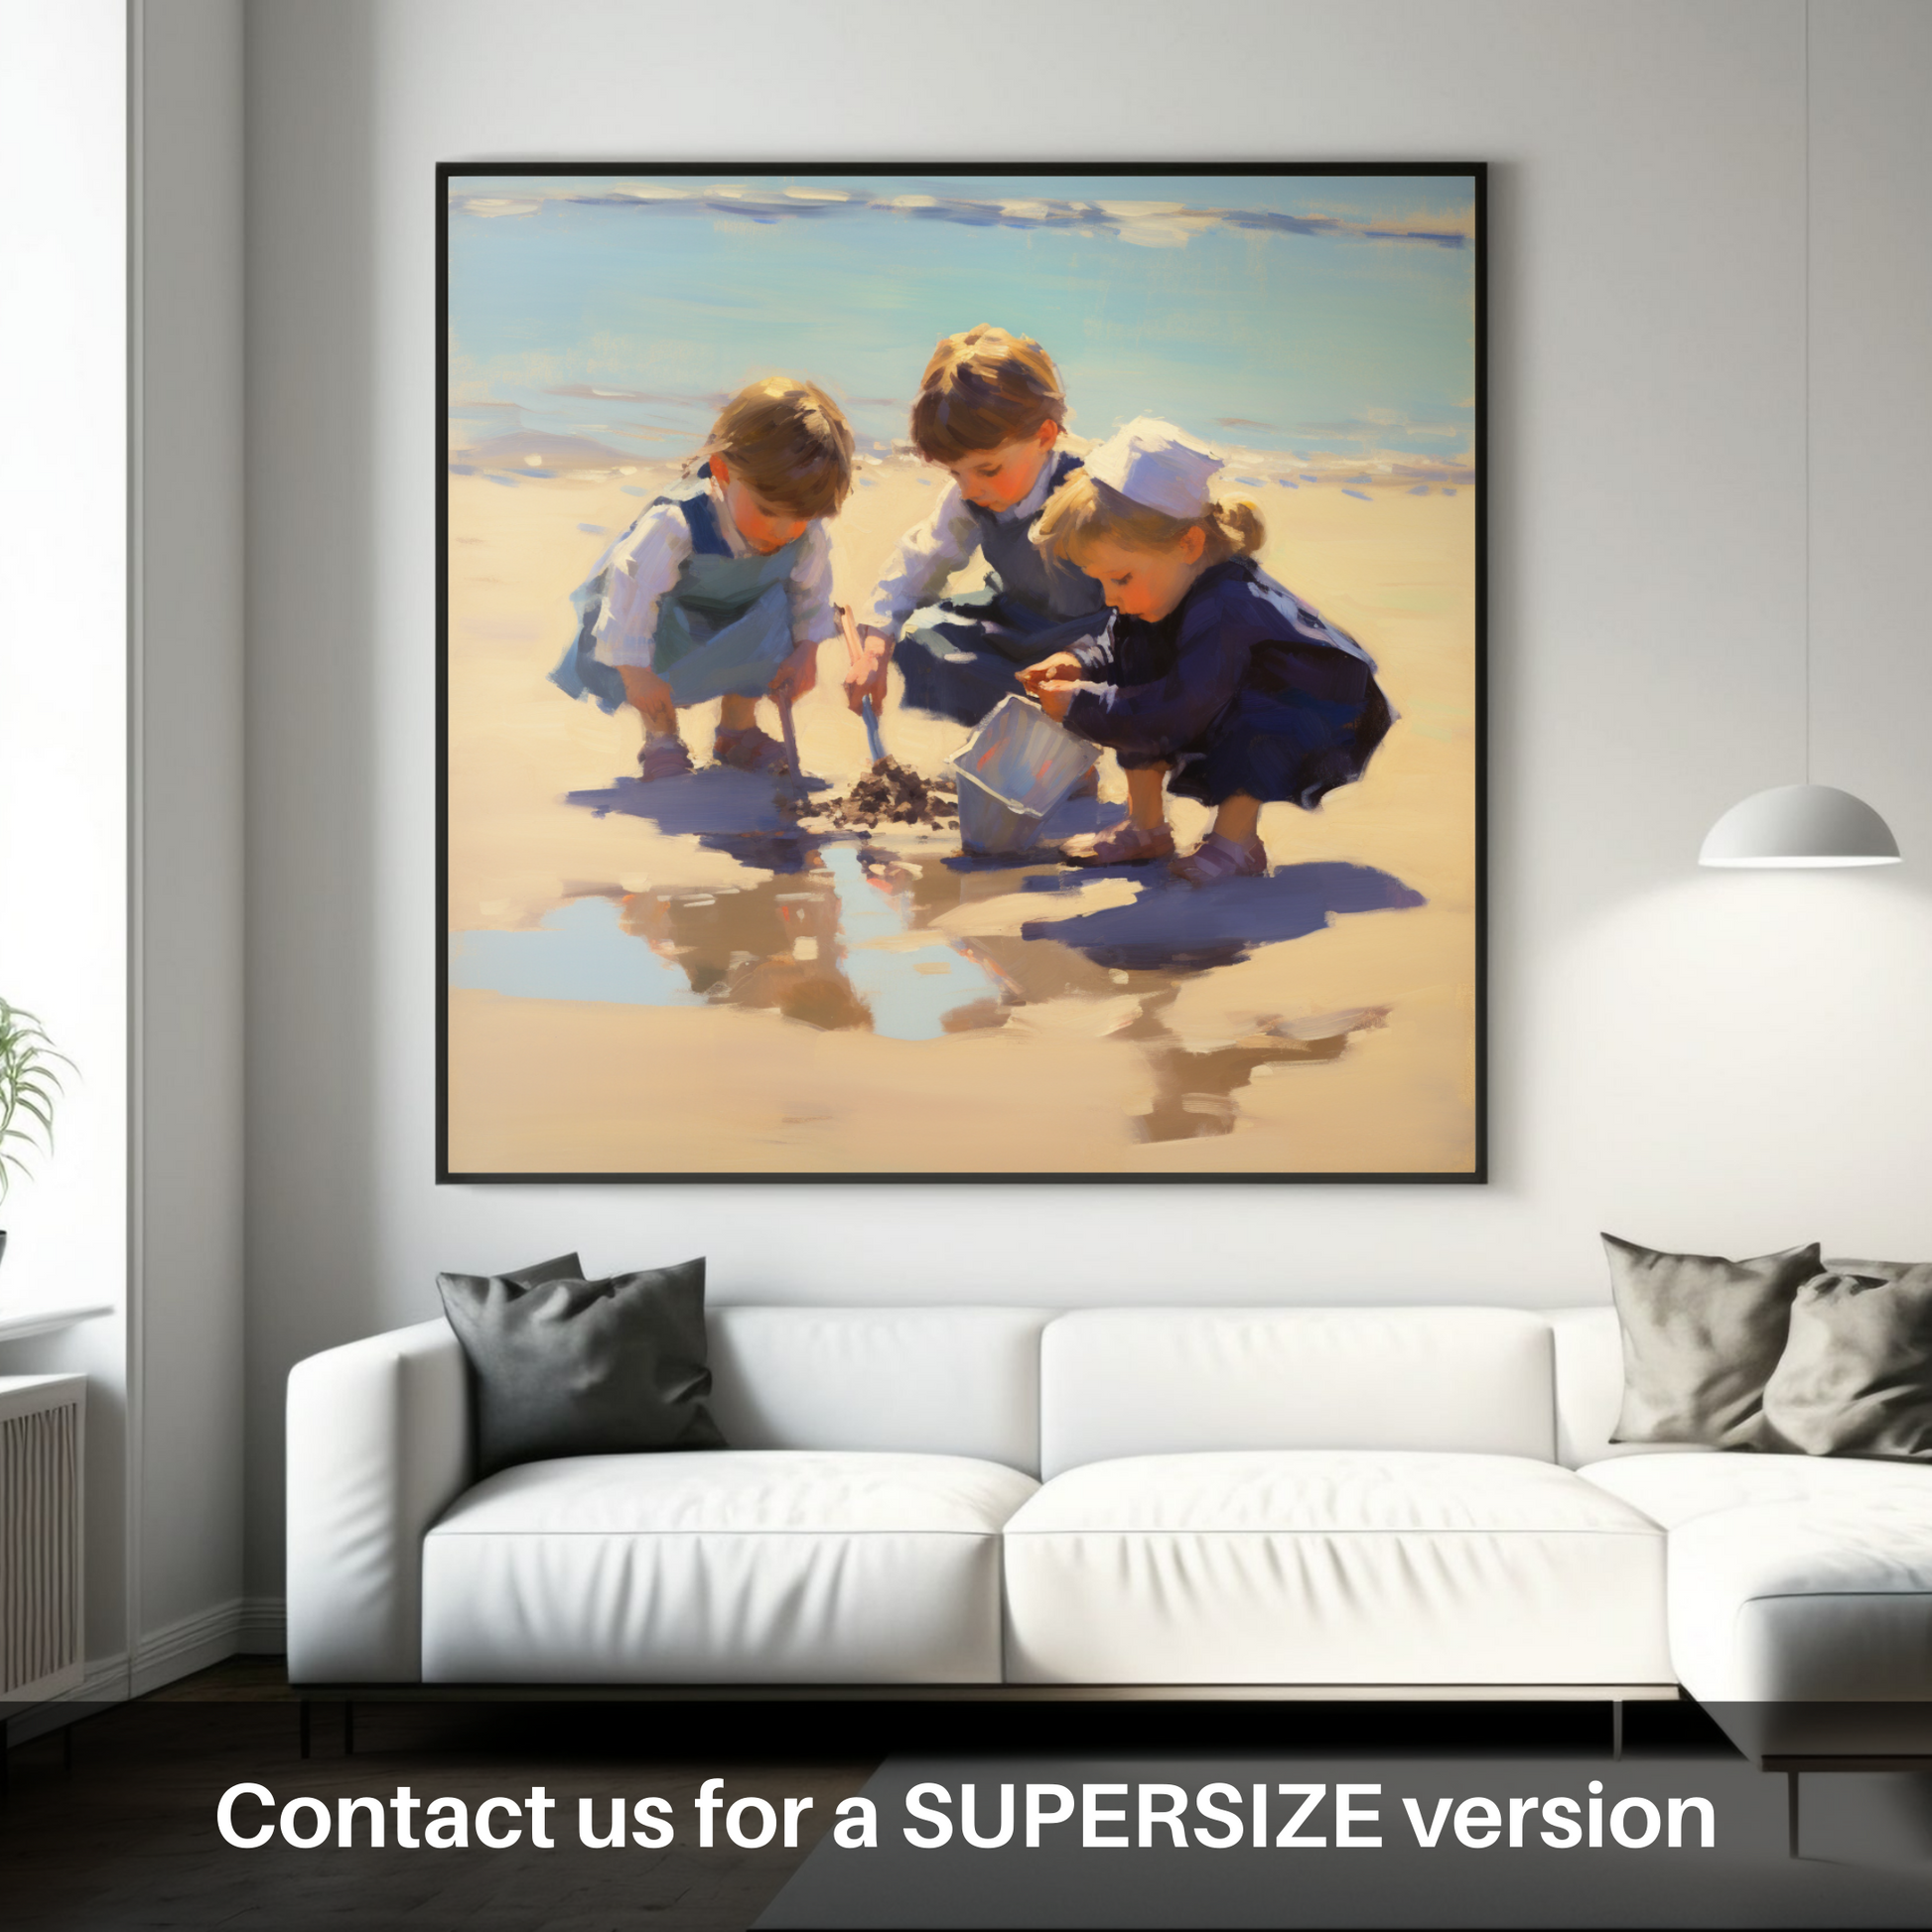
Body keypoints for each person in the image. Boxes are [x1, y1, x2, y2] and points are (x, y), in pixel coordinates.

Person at [1021, 418, 1393, 884]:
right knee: (1135, 659)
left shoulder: (1228, 607)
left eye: (1120, 578)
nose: (1110, 597)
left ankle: (1236, 841)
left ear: (1189, 545)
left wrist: (1081, 705)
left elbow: (1178, 710)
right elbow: (1113, 646)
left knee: (1256, 715)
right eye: (1101, 581)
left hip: (1320, 706)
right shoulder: (1162, 588)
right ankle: (1145, 827)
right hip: (1214, 696)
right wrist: (1078, 663)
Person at [551, 377, 854, 777]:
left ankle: (737, 730)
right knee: (651, 643)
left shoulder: (806, 531)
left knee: (778, 609)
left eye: (800, 518)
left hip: (738, 635)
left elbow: (811, 596)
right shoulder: (676, 522)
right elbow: (630, 595)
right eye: (767, 511)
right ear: (722, 471)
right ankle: (662, 738)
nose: (783, 532)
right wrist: (637, 674)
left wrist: (806, 652)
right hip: (669, 642)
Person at [843, 326, 1108, 727]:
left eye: (988, 469)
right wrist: (876, 648)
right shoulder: (971, 497)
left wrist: (1083, 654)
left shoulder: (1089, 497)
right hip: (1019, 624)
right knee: (918, 641)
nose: (969, 489)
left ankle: (1060, 728)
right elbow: (919, 561)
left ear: (1045, 436)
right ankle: (1028, 721)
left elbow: (1142, 602)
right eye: (956, 473)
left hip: (1093, 638)